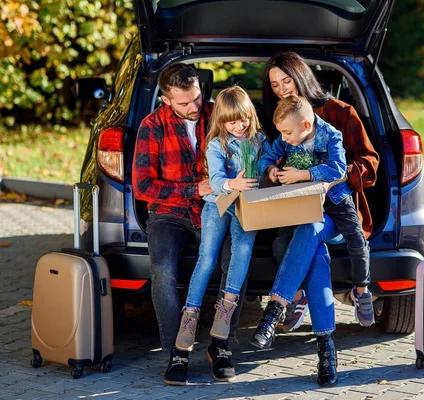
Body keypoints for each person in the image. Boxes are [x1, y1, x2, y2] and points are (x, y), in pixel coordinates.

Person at [132, 63, 236, 386]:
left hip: (214, 209)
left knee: (235, 257)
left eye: (196, 98)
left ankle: (220, 345)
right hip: (169, 214)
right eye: (184, 103)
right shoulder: (151, 127)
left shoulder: (215, 113)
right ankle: (176, 352)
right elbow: (144, 187)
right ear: (166, 100)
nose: (194, 107)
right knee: (162, 270)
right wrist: (194, 189)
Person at [262, 52, 379, 330]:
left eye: (286, 81)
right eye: (274, 85)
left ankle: (285, 306)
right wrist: (272, 170)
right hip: (297, 206)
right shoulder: (279, 120)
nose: (281, 89)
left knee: (311, 231)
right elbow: (273, 155)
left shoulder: (339, 114)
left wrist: (334, 179)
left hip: (334, 206)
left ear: (300, 76)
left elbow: (369, 162)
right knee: (304, 242)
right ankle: (310, 316)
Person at [250, 95, 349, 386]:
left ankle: (274, 310)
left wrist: (303, 174)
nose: (284, 139)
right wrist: (269, 170)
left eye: (288, 134)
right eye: (281, 133)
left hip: (334, 215)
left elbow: (338, 169)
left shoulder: (331, 135)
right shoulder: (287, 137)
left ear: (306, 124)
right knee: (316, 254)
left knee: (312, 228)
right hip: (302, 214)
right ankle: (326, 349)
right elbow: (267, 157)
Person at [174, 86, 269, 382]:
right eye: (231, 122)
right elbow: (214, 180)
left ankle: (224, 313)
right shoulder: (217, 145)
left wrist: (271, 173)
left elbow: (267, 168)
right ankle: (189, 319)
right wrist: (233, 183)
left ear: (249, 115)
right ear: (222, 122)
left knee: (242, 250)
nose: (238, 126)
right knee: (207, 258)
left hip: (248, 208)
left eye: (242, 119)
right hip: (218, 205)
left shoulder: (260, 141)